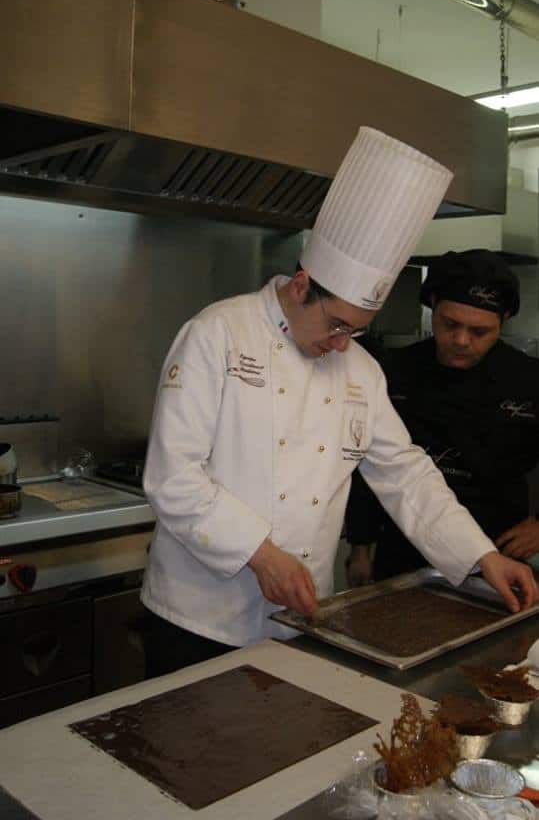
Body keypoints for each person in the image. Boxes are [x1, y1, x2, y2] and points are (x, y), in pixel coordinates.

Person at [141, 127, 537, 678]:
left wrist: (480, 555)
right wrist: (261, 554)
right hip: (198, 617)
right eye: (336, 325)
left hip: (299, 617)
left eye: (356, 330)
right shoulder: (217, 334)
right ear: (302, 285)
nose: (342, 344)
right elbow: (173, 478)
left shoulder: (360, 370)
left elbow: (405, 474)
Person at [345, 249, 539, 587]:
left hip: (499, 550)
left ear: (504, 319)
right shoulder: (392, 372)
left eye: (479, 331)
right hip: (403, 547)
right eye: (450, 324)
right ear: (433, 304)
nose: (461, 341)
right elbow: (368, 464)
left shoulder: (529, 379)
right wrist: (360, 548)